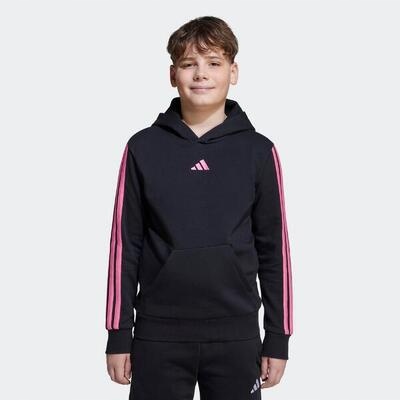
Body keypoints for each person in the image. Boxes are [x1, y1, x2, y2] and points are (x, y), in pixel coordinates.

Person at [105, 15, 294, 400]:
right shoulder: (143, 148)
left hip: (236, 335)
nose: (201, 74)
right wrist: (118, 334)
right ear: (172, 74)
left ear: (233, 72)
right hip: (158, 334)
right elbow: (124, 247)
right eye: (189, 63)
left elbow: (275, 250)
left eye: (214, 63)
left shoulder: (259, 151)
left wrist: (278, 336)